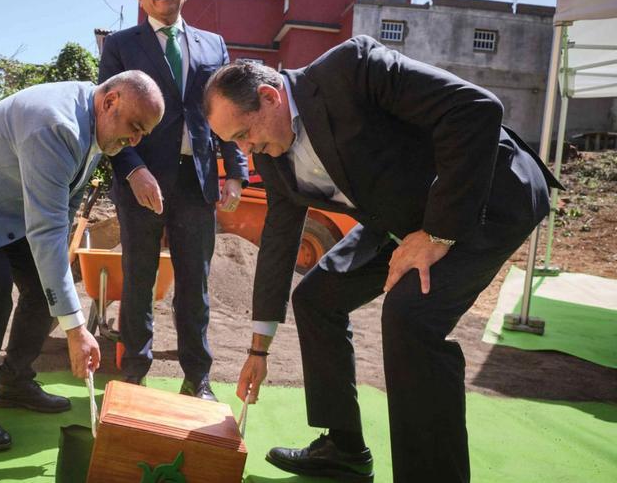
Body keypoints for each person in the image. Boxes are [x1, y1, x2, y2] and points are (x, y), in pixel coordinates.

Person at [203, 36, 560, 482]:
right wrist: (259, 347)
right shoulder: (274, 158)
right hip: (404, 215)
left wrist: (437, 233)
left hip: (488, 191)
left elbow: (477, 109)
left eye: (243, 135)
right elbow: (278, 241)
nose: (245, 152)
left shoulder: (351, 69)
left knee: (410, 318)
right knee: (317, 297)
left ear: (270, 97)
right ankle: (344, 449)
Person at [0, 71, 165, 451]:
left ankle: (14, 381)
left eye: (144, 134)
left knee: (47, 289)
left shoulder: (94, 128)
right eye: (135, 127)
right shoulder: (56, 124)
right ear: (111, 102)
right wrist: (76, 329)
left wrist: (65, 303)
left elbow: (65, 209)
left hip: (2, 204)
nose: (135, 141)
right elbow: (44, 232)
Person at [98, 0, 248, 401]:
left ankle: (196, 377)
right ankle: (133, 374)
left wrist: (234, 172)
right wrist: (134, 171)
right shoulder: (121, 45)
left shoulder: (213, 45)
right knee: (139, 279)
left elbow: (227, 110)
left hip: (196, 182)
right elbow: (109, 118)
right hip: (142, 182)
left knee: (194, 284)